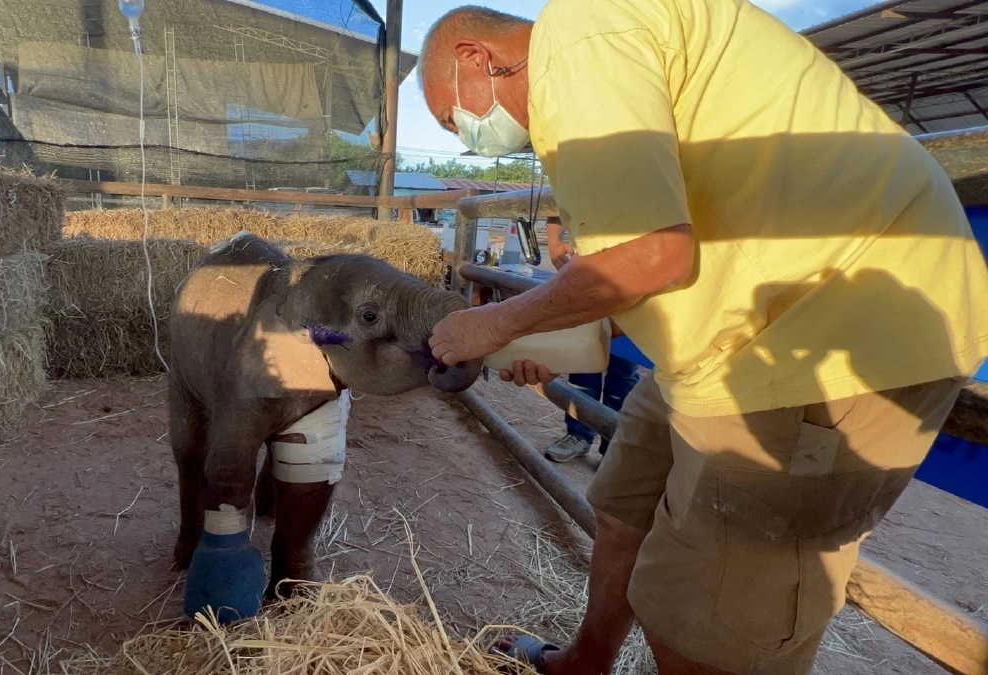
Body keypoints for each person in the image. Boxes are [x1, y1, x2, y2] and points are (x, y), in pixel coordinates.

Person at [419, 3, 988, 675]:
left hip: (827, 325)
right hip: (730, 330)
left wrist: (491, 322)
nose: (467, 136)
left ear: (475, 58)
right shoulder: (593, 82)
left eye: (454, 118)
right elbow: (638, 266)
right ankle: (585, 662)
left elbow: (651, 255)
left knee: (712, 618)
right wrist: (554, 339)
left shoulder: (579, 35)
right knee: (624, 501)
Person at [544, 216, 641, 465]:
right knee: (584, 361)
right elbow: (556, 203)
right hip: (590, 272)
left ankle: (613, 446)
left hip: (633, 275)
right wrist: (554, 241)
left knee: (623, 369)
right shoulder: (581, 177)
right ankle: (578, 434)